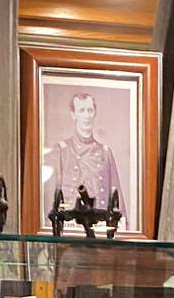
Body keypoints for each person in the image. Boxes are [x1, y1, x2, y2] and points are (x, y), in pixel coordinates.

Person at [48, 91, 127, 227]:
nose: (86, 116)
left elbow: (116, 194)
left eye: (90, 110)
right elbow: (52, 195)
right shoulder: (62, 150)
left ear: (94, 113)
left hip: (100, 227)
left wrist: (121, 223)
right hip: (70, 227)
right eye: (82, 110)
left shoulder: (105, 152)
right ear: (73, 115)